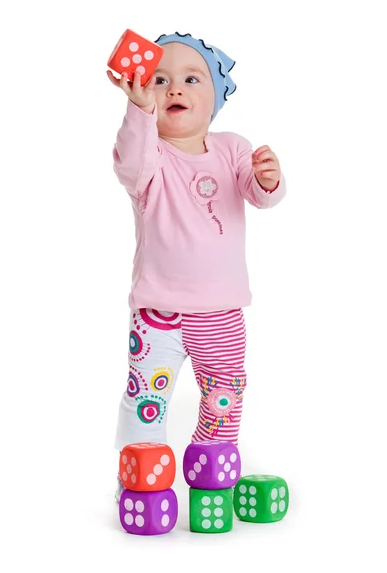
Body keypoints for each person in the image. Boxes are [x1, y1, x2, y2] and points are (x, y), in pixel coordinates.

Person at [107, 32, 286, 501]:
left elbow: (260, 194)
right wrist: (139, 110)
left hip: (221, 311)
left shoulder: (231, 148)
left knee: (224, 395)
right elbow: (130, 159)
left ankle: (212, 465)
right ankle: (138, 475)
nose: (174, 90)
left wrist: (270, 179)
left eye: (191, 78)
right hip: (157, 313)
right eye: (160, 80)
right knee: (145, 397)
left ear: (217, 97)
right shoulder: (150, 158)